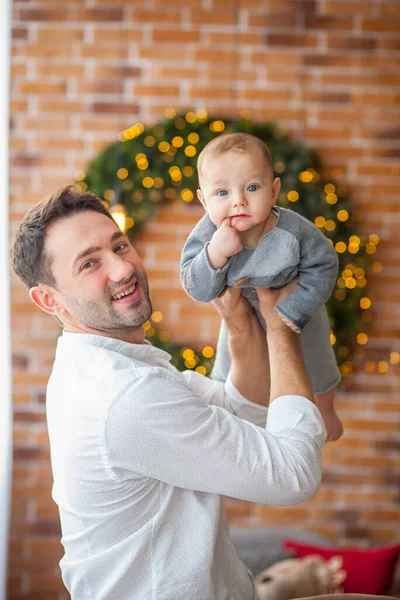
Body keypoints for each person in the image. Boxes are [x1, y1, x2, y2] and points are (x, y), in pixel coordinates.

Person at [10, 184, 328, 600]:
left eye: (119, 246)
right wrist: (283, 324)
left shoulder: (109, 363)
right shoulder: (126, 394)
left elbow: (241, 409)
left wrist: (237, 321)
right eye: (90, 264)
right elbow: (293, 475)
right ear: (48, 300)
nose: (122, 269)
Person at [181, 132, 343, 442]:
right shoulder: (206, 236)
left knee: (318, 360)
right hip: (242, 312)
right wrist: (215, 254)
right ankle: (243, 420)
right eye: (222, 193)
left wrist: (293, 309)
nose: (238, 201)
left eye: (252, 188)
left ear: (274, 191)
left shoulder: (294, 231)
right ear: (204, 200)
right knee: (228, 368)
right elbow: (197, 288)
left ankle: (325, 409)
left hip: (296, 307)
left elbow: (324, 264)